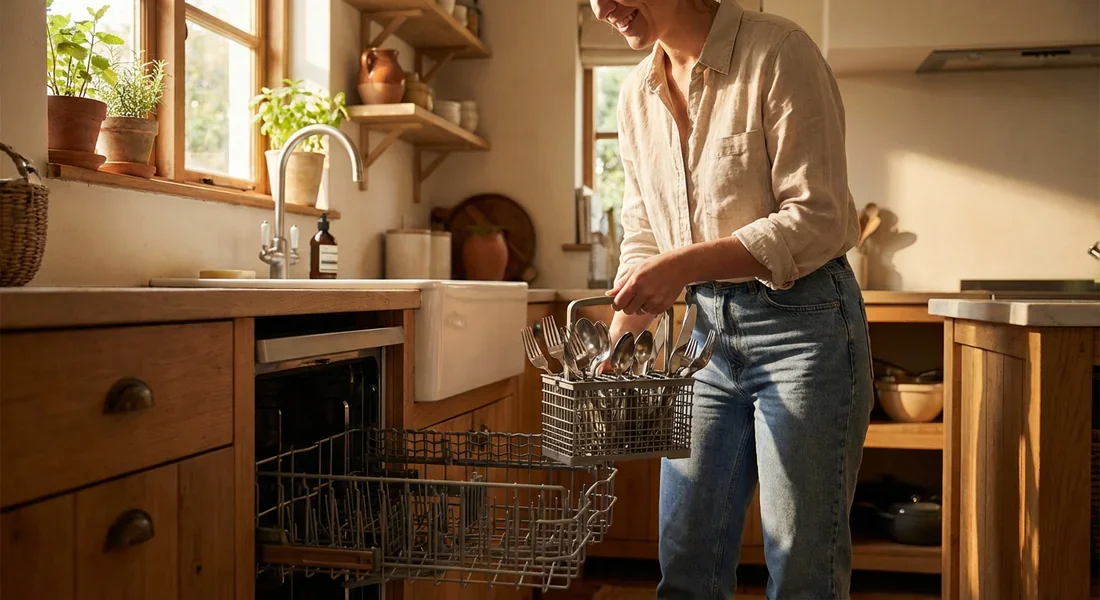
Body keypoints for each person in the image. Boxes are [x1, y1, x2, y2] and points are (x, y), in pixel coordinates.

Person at [588, 0, 874, 598]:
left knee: (802, 565)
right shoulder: (638, 94)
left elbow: (816, 217)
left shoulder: (778, 52)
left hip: (805, 331)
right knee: (687, 557)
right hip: (704, 341)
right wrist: (622, 338)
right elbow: (644, 230)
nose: (601, 7)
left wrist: (685, 264)